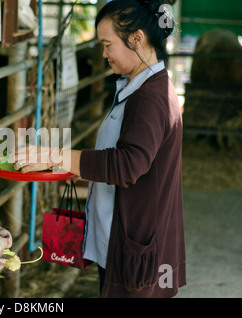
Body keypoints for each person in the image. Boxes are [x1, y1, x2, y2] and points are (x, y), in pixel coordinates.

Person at [12, 0, 186, 297]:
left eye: (107, 44)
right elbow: (127, 154)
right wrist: (78, 167)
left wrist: (54, 155)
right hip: (130, 240)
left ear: (137, 39)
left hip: (135, 249)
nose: (103, 54)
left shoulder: (149, 98)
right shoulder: (141, 86)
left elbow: (127, 165)